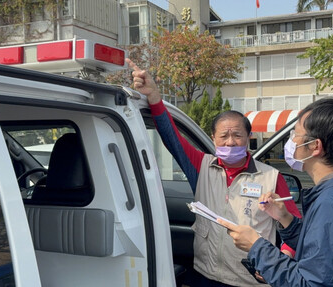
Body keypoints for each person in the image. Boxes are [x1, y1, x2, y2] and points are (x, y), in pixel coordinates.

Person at [126, 58, 302, 287]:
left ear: (249, 138)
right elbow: (172, 138)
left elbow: (292, 225)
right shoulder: (201, 165)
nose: (230, 142)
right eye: (223, 136)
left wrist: (284, 258)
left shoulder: (270, 176)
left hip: (250, 280)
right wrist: (154, 97)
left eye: (237, 135)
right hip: (205, 275)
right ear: (213, 139)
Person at [218, 97, 333, 286]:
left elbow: (309, 283)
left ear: (315, 146)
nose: (291, 141)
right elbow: (322, 250)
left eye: (295, 134)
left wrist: (256, 246)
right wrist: (286, 219)